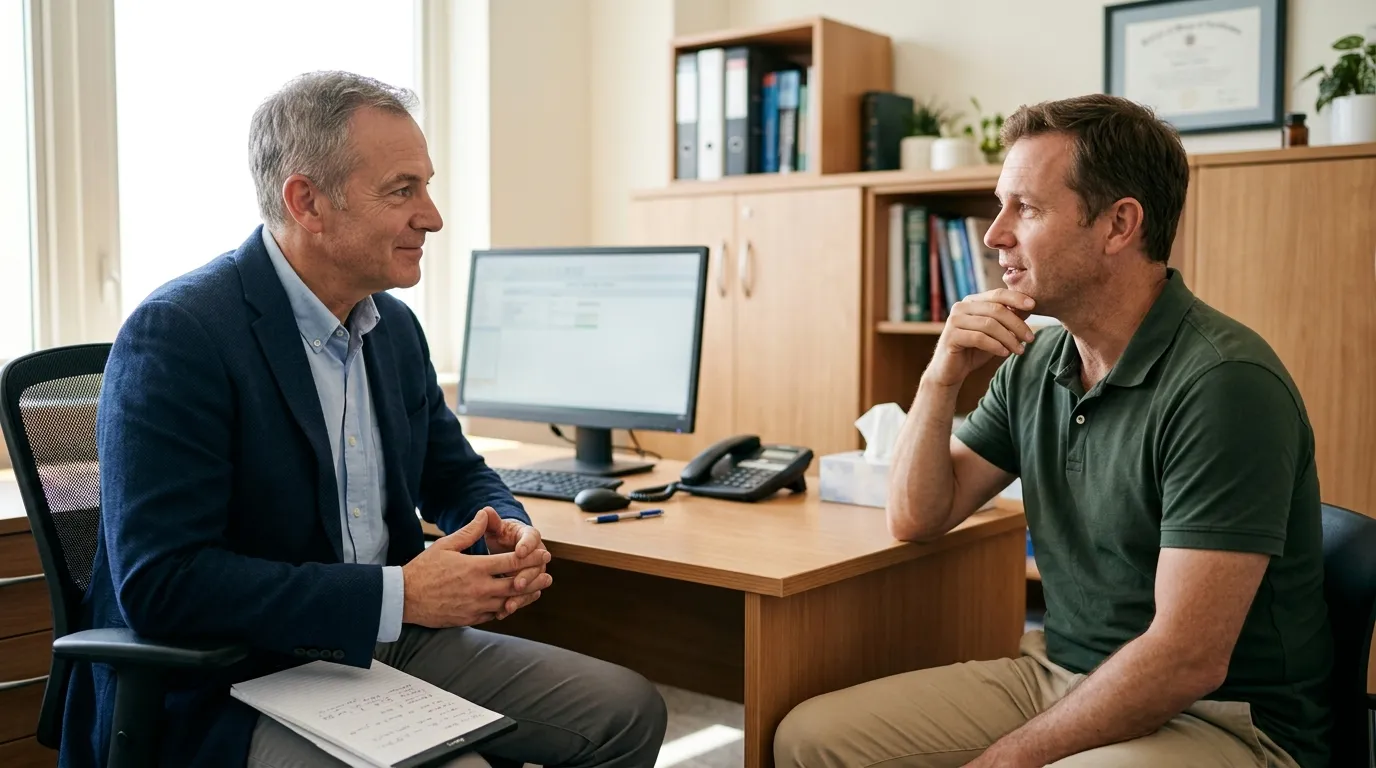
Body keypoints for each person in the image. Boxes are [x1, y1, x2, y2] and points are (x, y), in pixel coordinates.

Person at [68, 71, 667, 768]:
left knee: (626, 711)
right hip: (232, 676)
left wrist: (506, 528)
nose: (434, 216)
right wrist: (399, 593)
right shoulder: (179, 335)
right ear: (308, 202)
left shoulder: (394, 330)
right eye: (402, 190)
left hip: (381, 643)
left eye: (427, 186)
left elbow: (454, 472)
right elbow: (163, 584)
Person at [774, 94, 1332, 767]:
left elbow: (1187, 661)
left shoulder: (1224, 384)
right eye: (1000, 204)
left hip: (1223, 722)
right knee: (809, 739)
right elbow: (917, 516)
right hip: (1060, 676)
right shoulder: (1037, 357)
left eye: (1027, 209)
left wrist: (1009, 758)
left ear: (1119, 224)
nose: (993, 234)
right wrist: (939, 376)